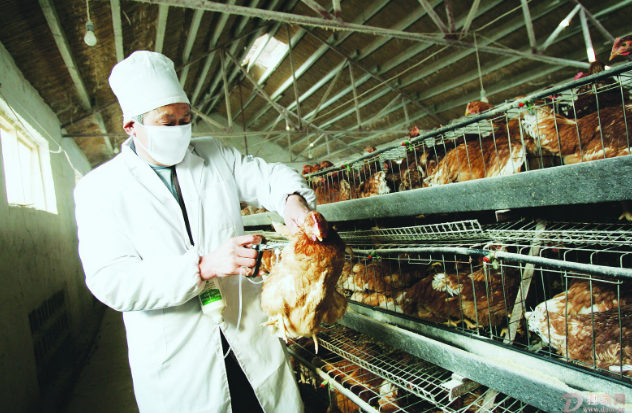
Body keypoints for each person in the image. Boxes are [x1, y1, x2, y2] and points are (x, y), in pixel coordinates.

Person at [74, 51, 315, 413]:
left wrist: (293, 202)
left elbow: (268, 177)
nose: (180, 130)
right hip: (180, 363)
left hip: (247, 336)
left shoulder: (214, 153)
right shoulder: (100, 189)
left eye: (185, 119)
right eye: (167, 122)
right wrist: (202, 267)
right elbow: (111, 280)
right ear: (131, 127)